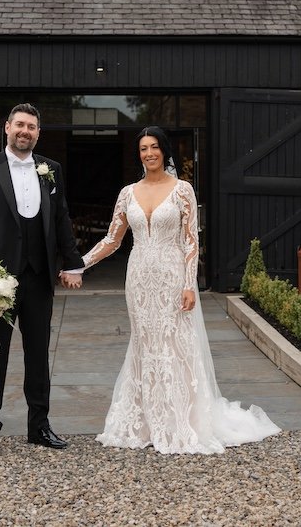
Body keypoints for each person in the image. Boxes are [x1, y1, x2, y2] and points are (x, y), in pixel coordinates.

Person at [71, 127, 281, 454]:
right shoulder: (128, 193)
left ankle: (181, 421)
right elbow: (112, 240)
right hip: (139, 277)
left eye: (154, 147)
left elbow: (191, 242)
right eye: (143, 148)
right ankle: (146, 423)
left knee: (176, 344)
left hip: (172, 276)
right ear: (138, 154)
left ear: (164, 151)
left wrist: (189, 284)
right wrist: (78, 263)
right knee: (145, 344)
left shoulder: (183, 190)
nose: (149, 153)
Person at [0, 103, 84, 458]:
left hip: (39, 277)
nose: (25, 131)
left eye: (31, 126)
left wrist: (72, 263)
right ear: (7, 128)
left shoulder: (51, 170)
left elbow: (61, 219)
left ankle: (39, 426)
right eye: (19, 125)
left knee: (38, 355)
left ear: (38, 133)